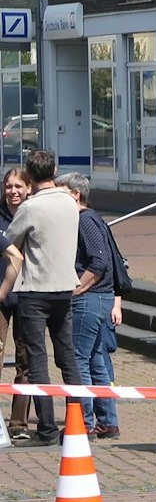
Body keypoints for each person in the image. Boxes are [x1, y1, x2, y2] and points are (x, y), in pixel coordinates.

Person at [0, 150, 81, 447]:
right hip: (64, 287)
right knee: (67, 357)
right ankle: (78, 420)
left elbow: (10, 241)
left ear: (30, 178)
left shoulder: (31, 207)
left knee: (37, 361)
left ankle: (47, 428)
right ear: (55, 170)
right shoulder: (70, 202)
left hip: (35, 289)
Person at [56, 173, 124, 439]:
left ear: (75, 195)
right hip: (100, 298)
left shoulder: (84, 220)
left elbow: (98, 261)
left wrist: (78, 289)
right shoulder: (92, 219)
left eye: (61, 194)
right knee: (97, 360)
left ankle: (82, 422)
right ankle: (107, 421)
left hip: (90, 299)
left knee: (78, 359)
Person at [1, 167, 33, 440]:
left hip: (28, 297)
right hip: (0, 297)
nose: (13, 191)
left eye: (18, 186)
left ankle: (19, 423)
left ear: (29, 188)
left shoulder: (34, 214)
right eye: (8, 186)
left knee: (26, 360)